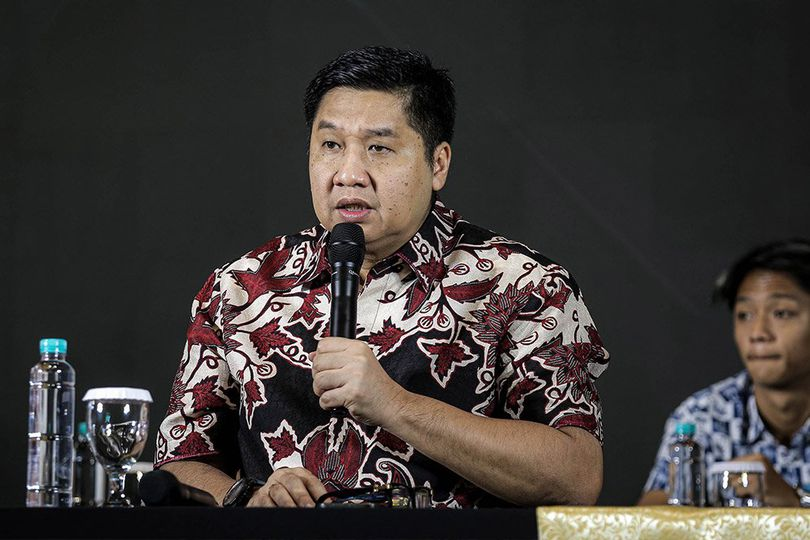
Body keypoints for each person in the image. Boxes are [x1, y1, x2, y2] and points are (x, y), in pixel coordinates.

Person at [155, 46, 609, 508]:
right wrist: (246, 498)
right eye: (331, 146)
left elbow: (575, 478)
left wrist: (393, 404)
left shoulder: (524, 285)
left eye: (379, 148)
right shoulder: (240, 287)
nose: (349, 174)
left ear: (438, 164)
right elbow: (177, 464)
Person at [639, 239, 810, 507]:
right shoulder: (703, 416)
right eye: (745, 315)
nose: (758, 333)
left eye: (781, 313)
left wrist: (796, 505)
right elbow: (649, 515)